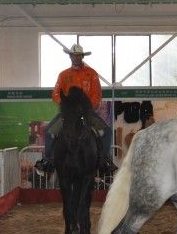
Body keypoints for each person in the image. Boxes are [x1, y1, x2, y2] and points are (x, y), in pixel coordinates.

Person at [34, 43, 118, 176]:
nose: (76, 58)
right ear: (70, 57)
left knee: (106, 132)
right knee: (50, 132)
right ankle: (48, 160)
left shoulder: (92, 74)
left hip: (87, 113)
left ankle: (104, 160)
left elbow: (97, 94)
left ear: (82, 56)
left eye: (78, 56)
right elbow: (55, 93)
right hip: (68, 114)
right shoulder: (63, 75)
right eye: (73, 56)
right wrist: (67, 105)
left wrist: (88, 107)